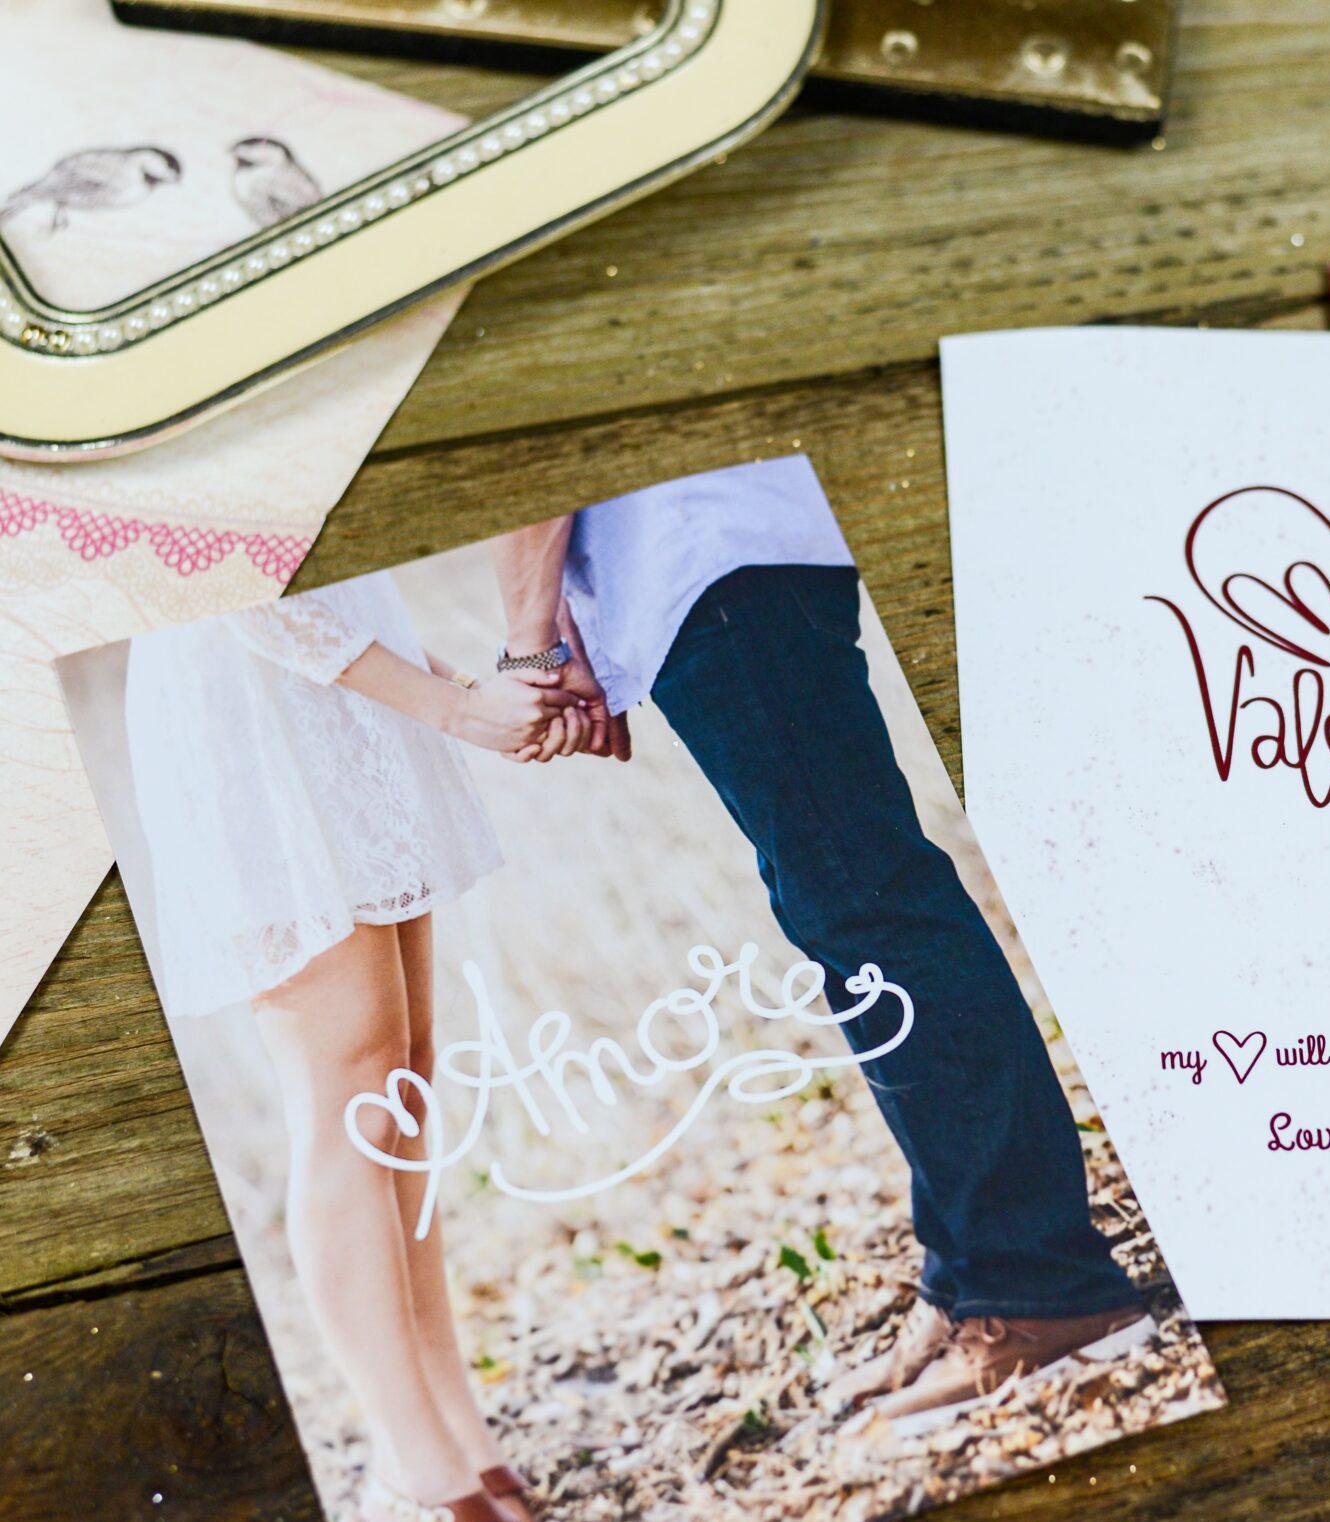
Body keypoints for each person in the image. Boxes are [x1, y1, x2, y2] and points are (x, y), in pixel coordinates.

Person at [485, 456, 1153, 1426]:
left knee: (868, 903)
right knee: (845, 909)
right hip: (720, 563)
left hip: (713, 566)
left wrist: (530, 646)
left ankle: (1039, 1283)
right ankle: (975, 1271)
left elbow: (536, 459)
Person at [122, 579, 588, 1522]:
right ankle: (411, 1479)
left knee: (402, 1080)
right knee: (348, 1100)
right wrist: (458, 705)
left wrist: (455, 684)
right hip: (247, 700)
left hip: (345, 691)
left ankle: (461, 1443)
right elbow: (227, 582)